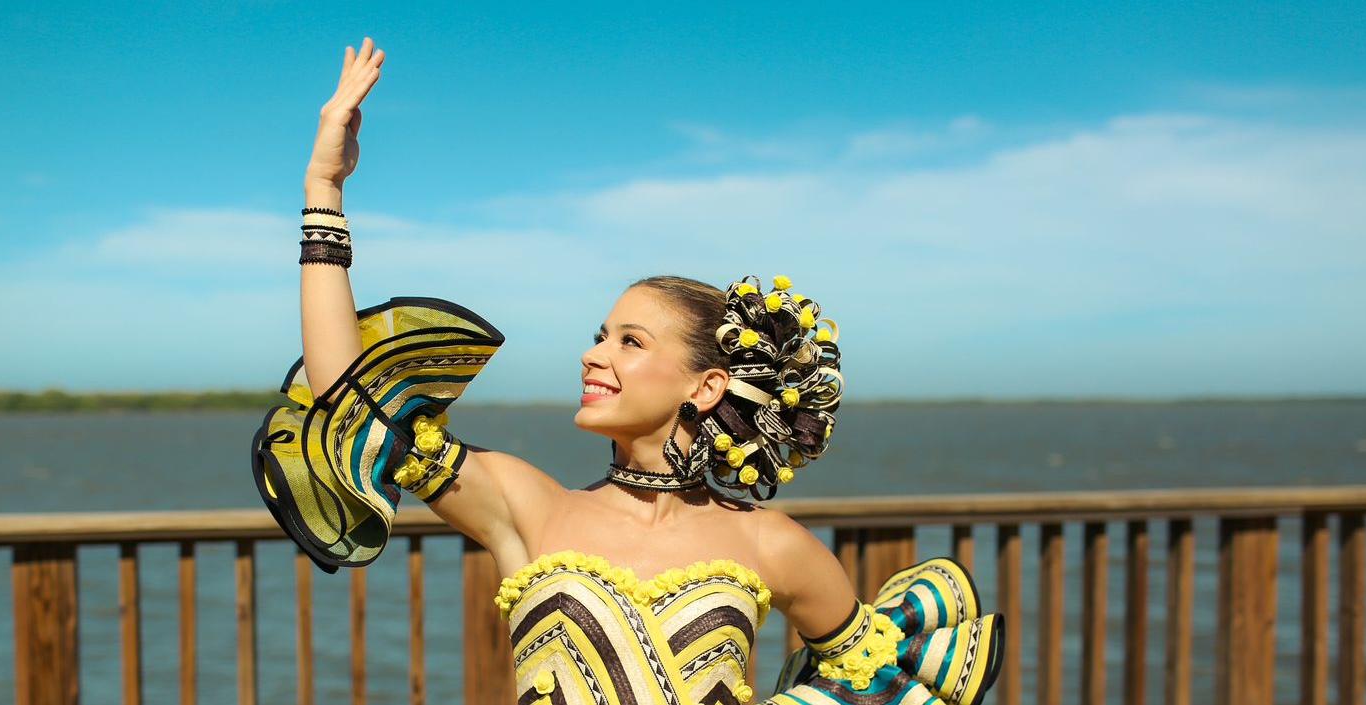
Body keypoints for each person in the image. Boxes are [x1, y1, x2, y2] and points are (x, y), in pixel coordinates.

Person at [251, 37, 1004, 705]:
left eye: (629, 341)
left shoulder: (770, 543)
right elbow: (348, 400)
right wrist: (325, 191)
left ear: (703, 386)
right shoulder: (526, 505)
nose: (594, 354)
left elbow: (872, 673)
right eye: (598, 335)